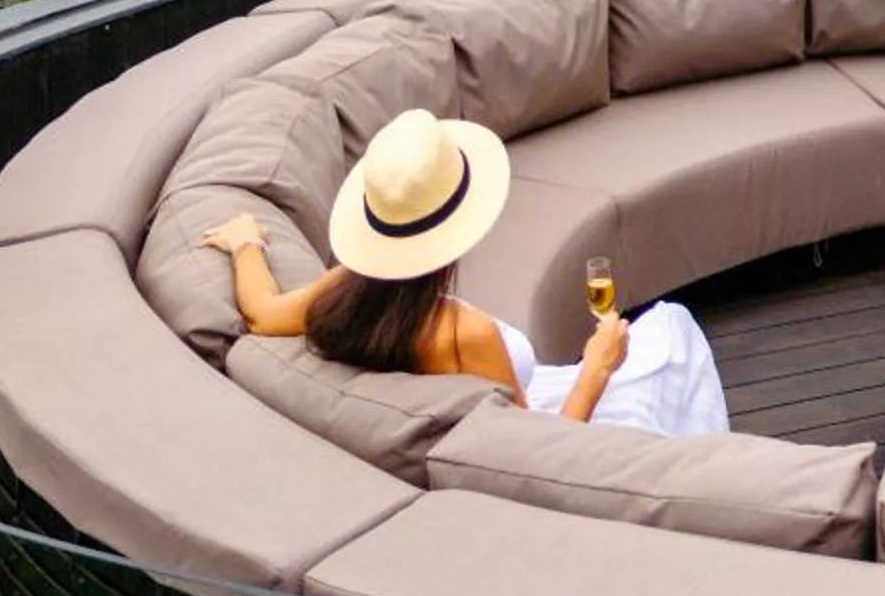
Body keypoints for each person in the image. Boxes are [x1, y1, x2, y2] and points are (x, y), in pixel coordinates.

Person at [203, 105, 729, 436]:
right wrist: (597, 366)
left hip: (515, 405)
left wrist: (244, 242)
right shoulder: (461, 334)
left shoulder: (345, 295)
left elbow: (262, 312)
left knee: (667, 331)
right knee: (673, 332)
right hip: (555, 421)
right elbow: (535, 457)